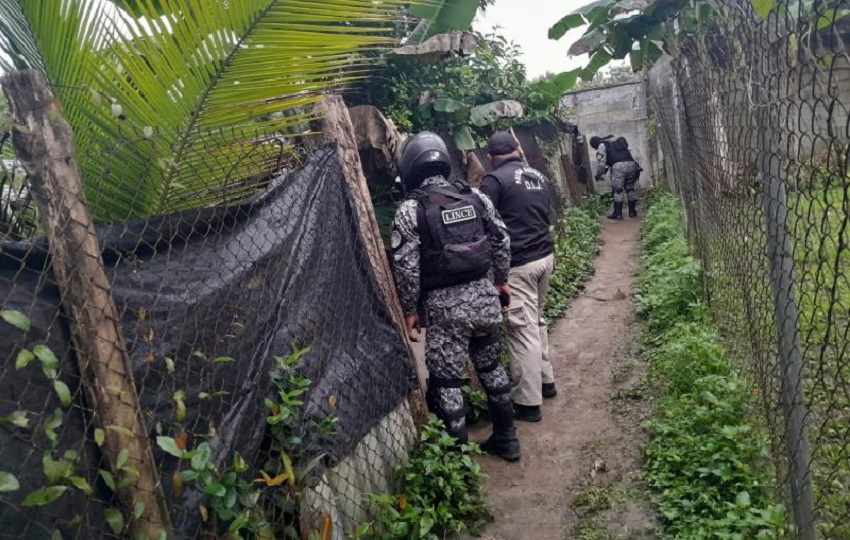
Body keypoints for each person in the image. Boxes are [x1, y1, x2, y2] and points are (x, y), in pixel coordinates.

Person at [390, 131, 521, 461]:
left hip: (444, 309)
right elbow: (502, 240)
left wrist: (409, 309)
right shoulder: (476, 197)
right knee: (491, 367)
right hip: (484, 297)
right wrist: (501, 281)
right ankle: (507, 439)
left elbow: (406, 267)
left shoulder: (410, 210)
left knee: (448, 382)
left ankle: (459, 460)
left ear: (410, 167)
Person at [480, 131, 556, 423]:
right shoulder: (536, 175)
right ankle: (546, 382)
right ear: (517, 149)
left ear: (490, 158)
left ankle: (527, 402)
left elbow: (483, 218)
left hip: (519, 264)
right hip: (545, 257)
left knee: (521, 329)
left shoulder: (494, 181)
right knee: (536, 320)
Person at [590, 135, 641, 219]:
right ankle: (632, 212)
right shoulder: (614, 142)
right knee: (630, 188)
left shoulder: (601, 146)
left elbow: (602, 164)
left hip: (618, 167)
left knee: (618, 190)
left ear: (594, 144)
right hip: (632, 165)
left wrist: (598, 174)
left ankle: (617, 214)